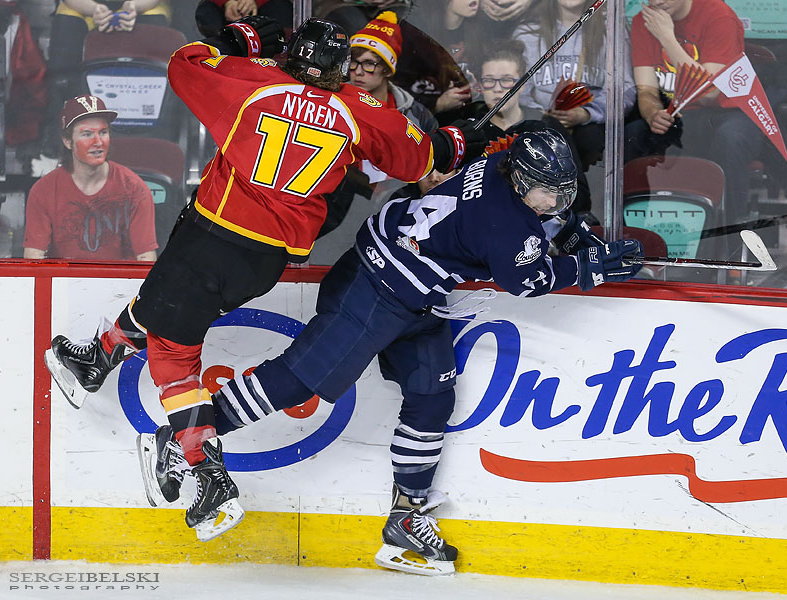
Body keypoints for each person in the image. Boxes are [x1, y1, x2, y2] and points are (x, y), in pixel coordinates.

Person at [43, 15, 486, 542]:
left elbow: (184, 65)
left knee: (173, 352)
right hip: (266, 261)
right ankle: (97, 358)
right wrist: (454, 142)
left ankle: (207, 477)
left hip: (214, 236)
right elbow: (417, 158)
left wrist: (239, 42)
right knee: (164, 302)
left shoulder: (255, 83)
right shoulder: (357, 108)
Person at [138, 129, 644, 574]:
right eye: (548, 194)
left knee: (431, 393)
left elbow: (531, 222)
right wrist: (588, 267)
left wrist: (567, 229)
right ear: (520, 181)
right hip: (376, 289)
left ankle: (406, 517)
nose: (554, 202)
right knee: (299, 378)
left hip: (411, 286)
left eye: (562, 194)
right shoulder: (505, 224)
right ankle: (187, 436)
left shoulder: (500, 160)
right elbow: (526, 279)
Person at [624, 0, 764, 227]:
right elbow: (647, 90)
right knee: (633, 134)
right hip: (680, 114)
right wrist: (652, 114)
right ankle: (634, 232)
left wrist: (667, 38)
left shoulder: (719, 16)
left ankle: (733, 236)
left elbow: (708, 92)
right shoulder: (644, 21)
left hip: (727, 112)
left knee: (730, 139)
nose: (657, 1)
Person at [37, 0, 170, 171]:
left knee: (155, 26)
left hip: (142, 7)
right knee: (66, 29)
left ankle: (155, 141)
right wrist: (93, 9)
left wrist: (134, 7)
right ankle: (59, 144)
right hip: (83, 7)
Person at [23, 95, 158, 261]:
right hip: (64, 284)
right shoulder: (43, 191)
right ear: (67, 141)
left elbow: (146, 258)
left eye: (103, 132)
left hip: (121, 285)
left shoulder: (134, 189)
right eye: (87, 134)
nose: (98, 142)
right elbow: (33, 259)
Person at [475, 38, 593, 217]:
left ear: (521, 85)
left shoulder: (545, 126)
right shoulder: (471, 129)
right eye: (489, 80)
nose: (498, 88)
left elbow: (580, 196)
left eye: (507, 80)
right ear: (480, 85)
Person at [514, 0, 636, 171]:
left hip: (590, 134)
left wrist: (587, 114)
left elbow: (625, 90)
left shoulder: (612, 32)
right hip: (538, 125)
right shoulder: (527, 33)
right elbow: (515, 89)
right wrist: (538, 112)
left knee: (590, 140)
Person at [349, 11, 438, 183]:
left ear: (388, 69)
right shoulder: (336, 106)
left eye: (368, 64)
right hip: (348, 204)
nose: (358, 72)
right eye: (354, 62)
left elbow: (430, 163)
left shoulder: (416, 115)